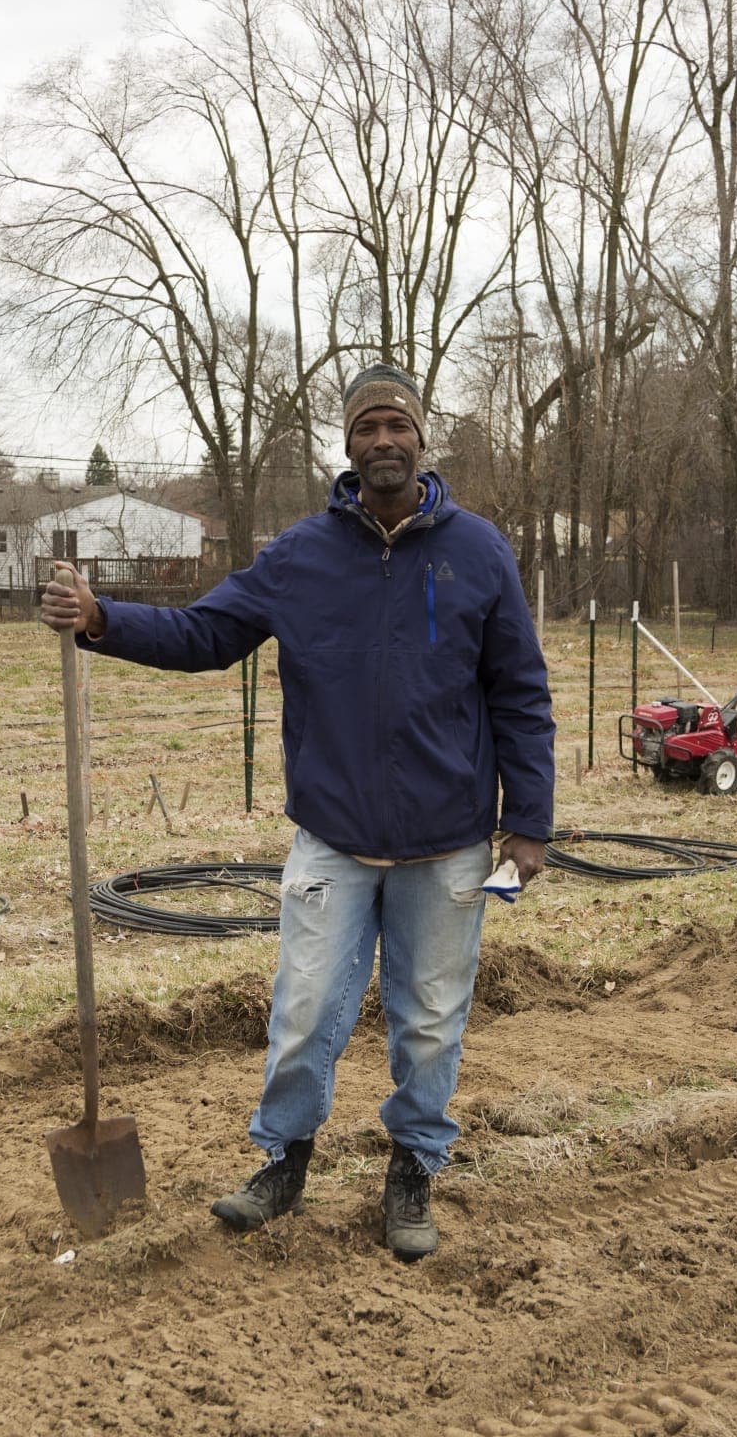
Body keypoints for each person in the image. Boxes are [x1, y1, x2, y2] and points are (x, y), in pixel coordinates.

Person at [41, 364, 555, 1260]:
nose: (383, 440)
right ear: (347, 447)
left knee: (430, 1017)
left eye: (397, 424)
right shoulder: (300, 556)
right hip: (335, 834)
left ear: (422, 437)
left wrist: (531, 821)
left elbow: (520, 690)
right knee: (307, 1008)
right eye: (367, 427)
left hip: (452, 840)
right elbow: (206, 635)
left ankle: (412, 1172)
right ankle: (285, 1161)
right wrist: (100, 619)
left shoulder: (478, 552)